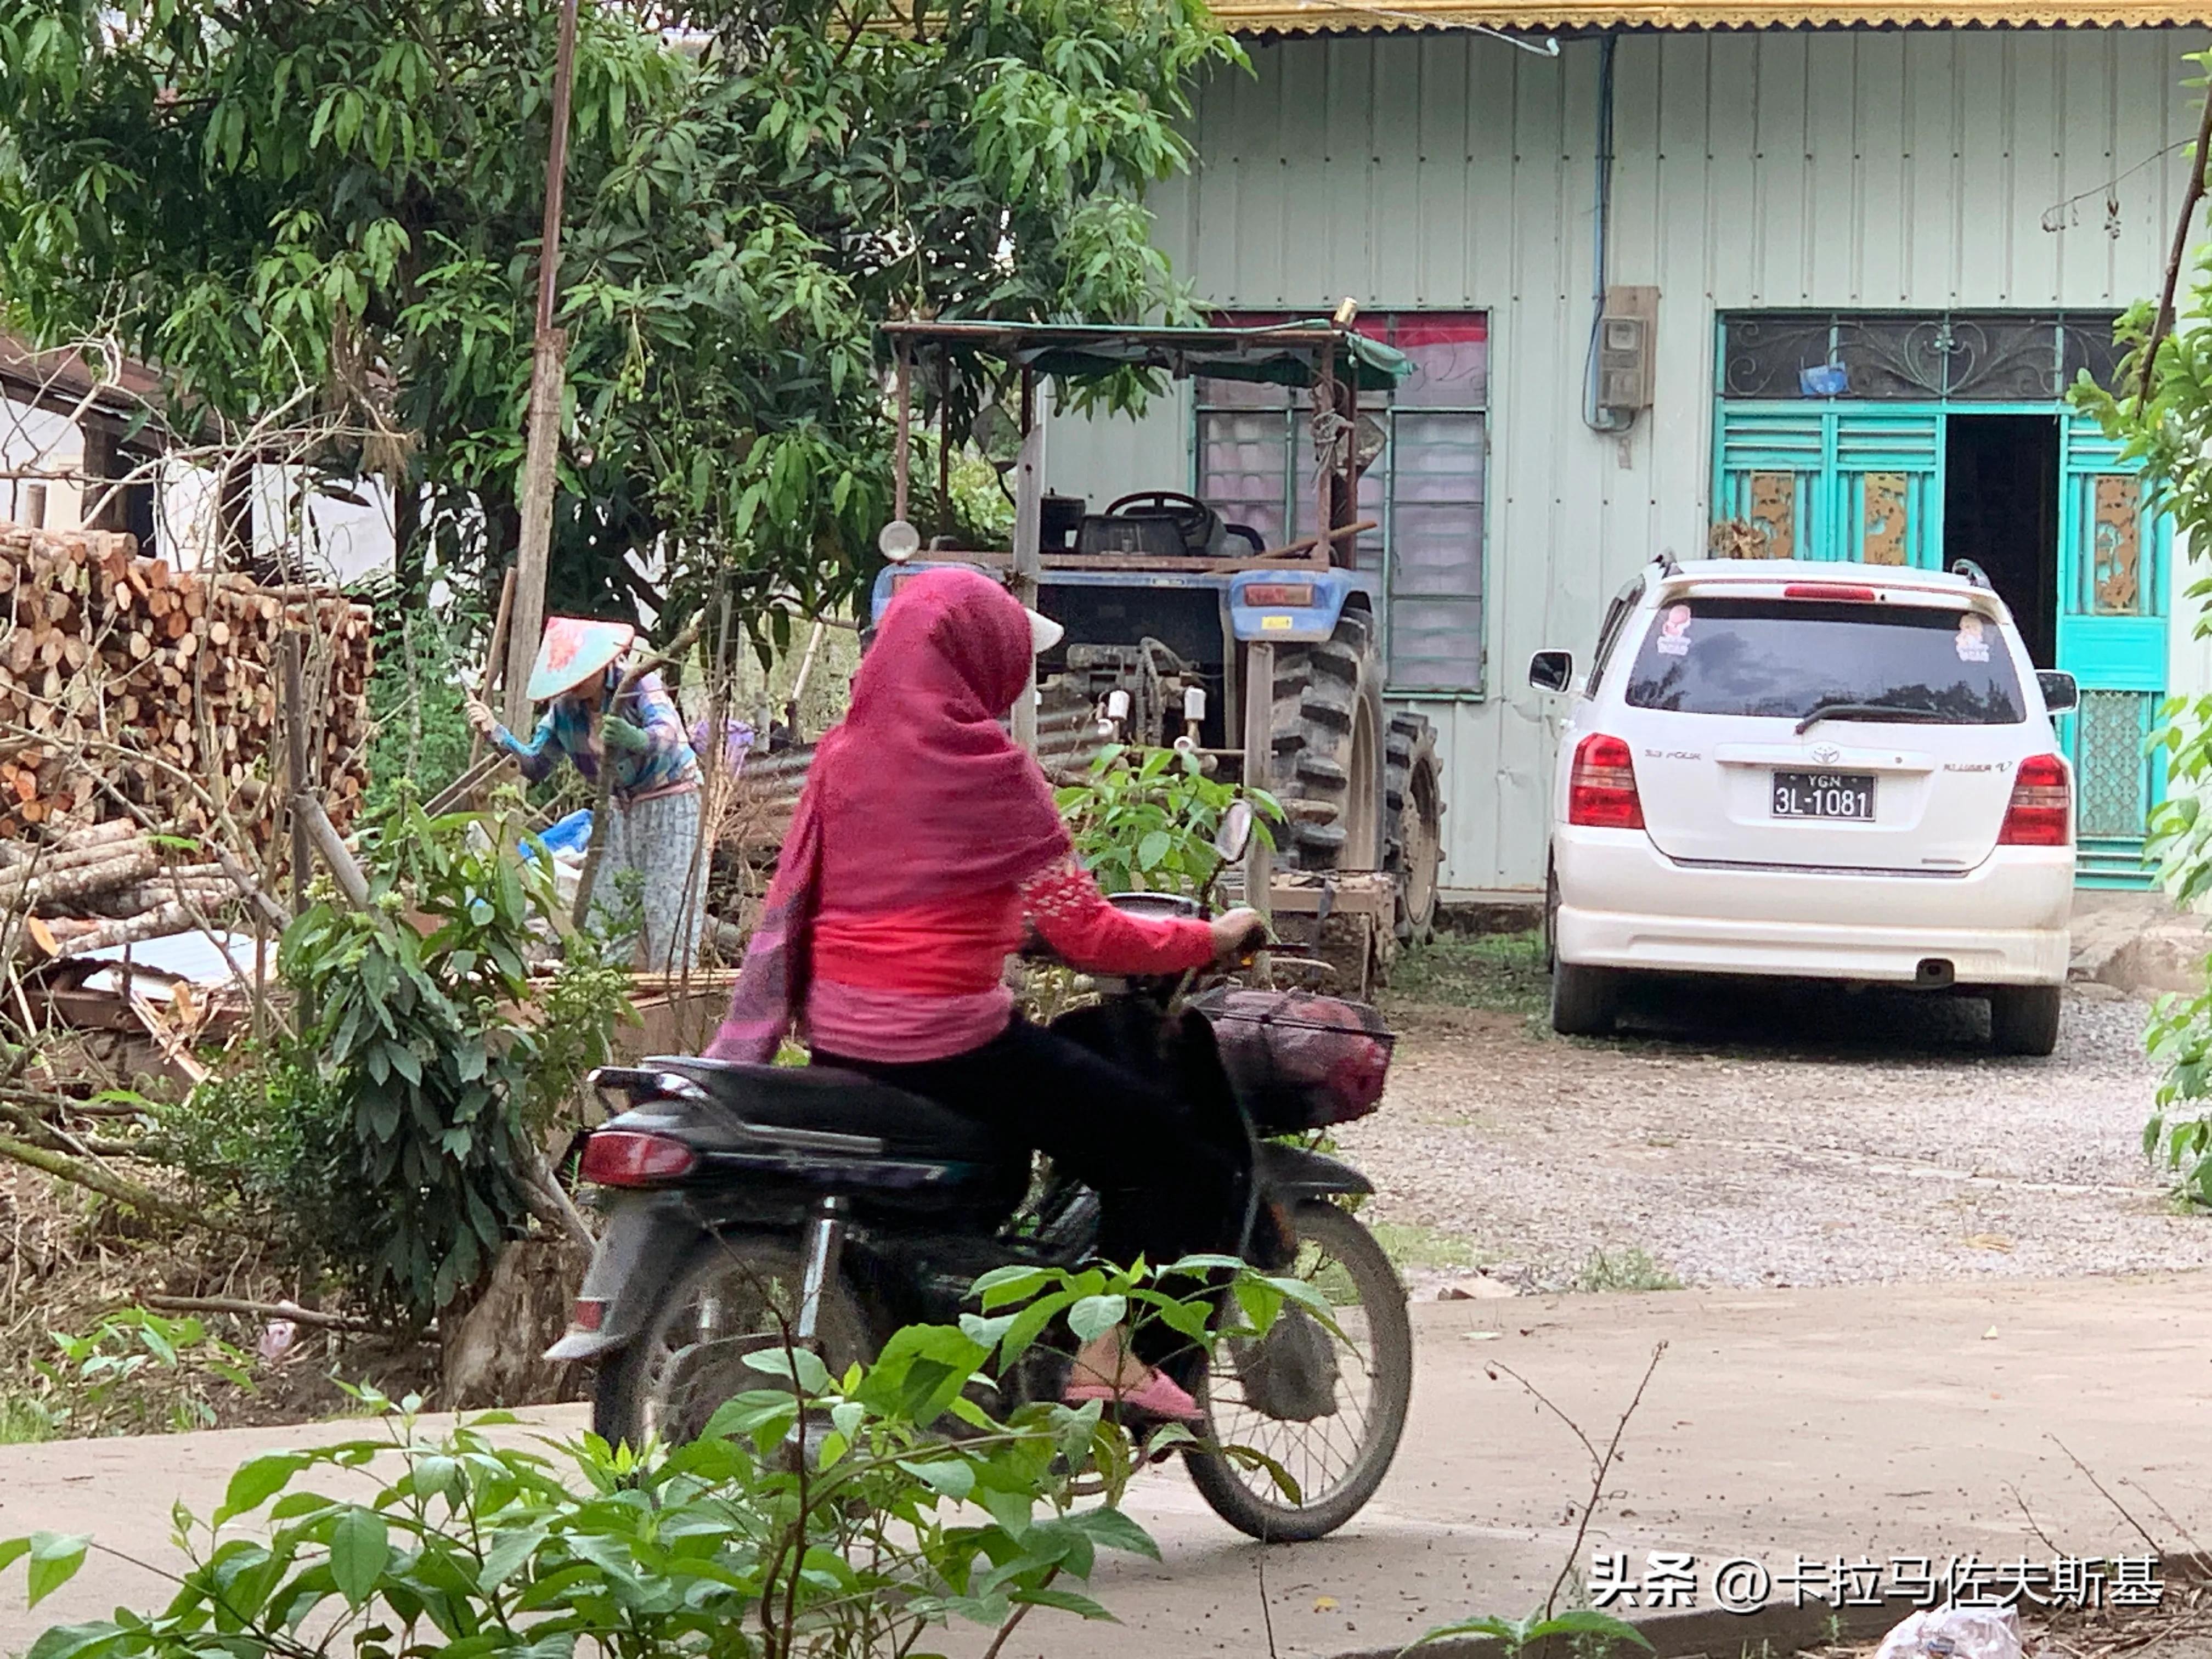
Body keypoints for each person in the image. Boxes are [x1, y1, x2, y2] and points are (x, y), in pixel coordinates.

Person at [705, 566, 1265, 1422]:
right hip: (950, 1045)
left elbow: (860, 893)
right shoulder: (994, 771)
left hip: (842, 1038)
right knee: (1157, 1144)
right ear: (981, 659)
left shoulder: (841, 756)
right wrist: (1211, 938)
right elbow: (1091, 935)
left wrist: (995, 923)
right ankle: (1105, 1354)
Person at [467, 618, 707, 974]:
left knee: (669, 902)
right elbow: (534, 764)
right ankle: (600, 988)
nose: (576, 682)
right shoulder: (564, 711)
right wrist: (495, 732)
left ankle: (673, 994)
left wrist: (638, 739)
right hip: (618, 807)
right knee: (608, 905)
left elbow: (670, 733)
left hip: (671, 799)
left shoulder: (637, 686)